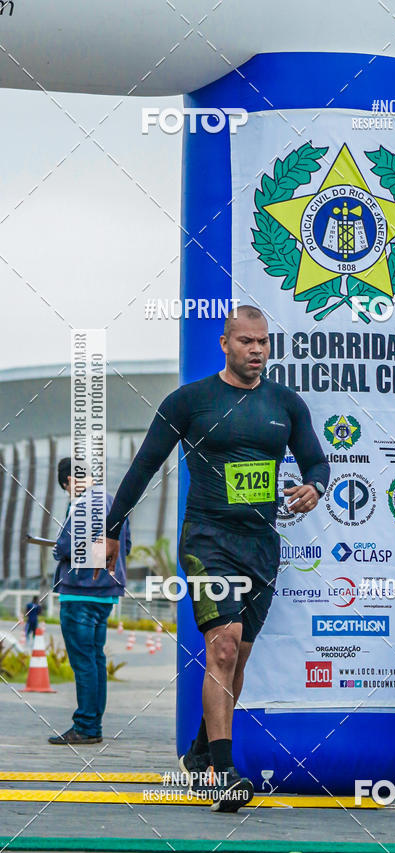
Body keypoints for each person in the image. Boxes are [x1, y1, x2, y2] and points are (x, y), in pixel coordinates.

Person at [100, 306, 330, 812]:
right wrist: (112, 529)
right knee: (222, 649)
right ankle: (224, 774)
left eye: (263, 342)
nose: (257, 350)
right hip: (208, 540)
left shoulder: (285, 403)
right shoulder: (190, 401)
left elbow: (316, 460)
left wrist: (316, 486)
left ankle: (201, 752)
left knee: (239, 657)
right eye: (246, 341)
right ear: (225, 344)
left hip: (261, 545)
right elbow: (145, 464)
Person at [50, 457, 131, 745]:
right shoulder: (113, 502)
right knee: (95, 659)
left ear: (70, 480)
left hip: (79, 592)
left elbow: (65, 546)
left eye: (66, 487)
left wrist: (57, 550)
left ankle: (86, 726)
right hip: (106, 593)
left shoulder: (82, 503)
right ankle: (92, 723)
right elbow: (125, 545)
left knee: (84, 662)